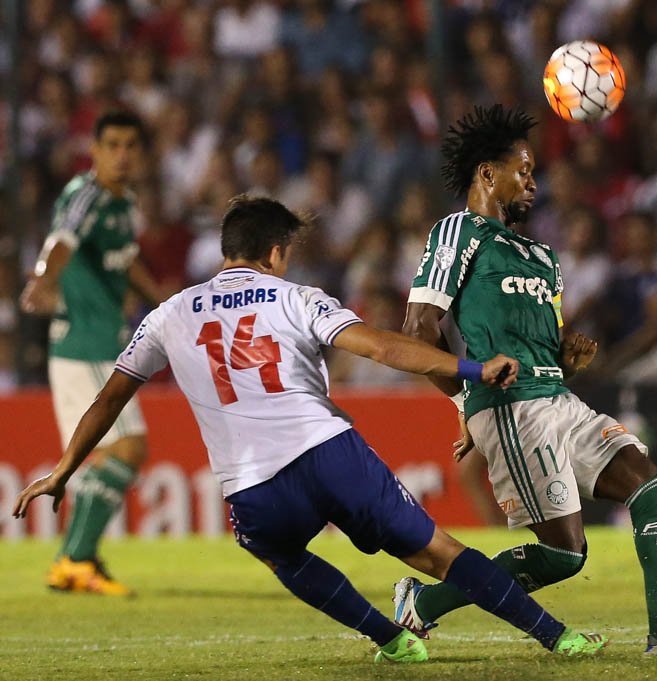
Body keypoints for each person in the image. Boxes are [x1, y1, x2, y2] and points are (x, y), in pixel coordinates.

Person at [12, 195, 606, 663]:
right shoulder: (296, 296)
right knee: (438, 553)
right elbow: (380, 347)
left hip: (250, 485)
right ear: (275, 252)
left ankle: (391, 640)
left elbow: (111, 396)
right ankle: (558, 638)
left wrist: (64, 468)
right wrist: (472, 368)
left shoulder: (168, 315)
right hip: (325, 450)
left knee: (281, 556)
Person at [395, 104, 657, 656]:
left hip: (559, 399)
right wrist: (467, 399)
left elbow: (544, 343)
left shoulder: (541, 256)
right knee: (564, 555)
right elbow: (418, 329)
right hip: (511, 408)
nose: (534, 183)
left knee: (652, 484)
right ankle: (423, 603)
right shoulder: (459, 233)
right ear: (487, 174)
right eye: (523, 171)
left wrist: (566, 355)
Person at [19, 110, 165, 596]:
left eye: (131, 146)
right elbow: (61, 239)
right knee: (128, 449)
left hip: (94, 343)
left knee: (106, 456)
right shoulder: (87, 195)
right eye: (113, 145)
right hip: (89, 343)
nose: (122, 154)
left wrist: (163, 301)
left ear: (140, 154)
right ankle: (75, 558)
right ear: (95, 150)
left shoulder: (125, 203)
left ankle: (72, 560)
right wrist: (44, 275)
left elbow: (125, 261)